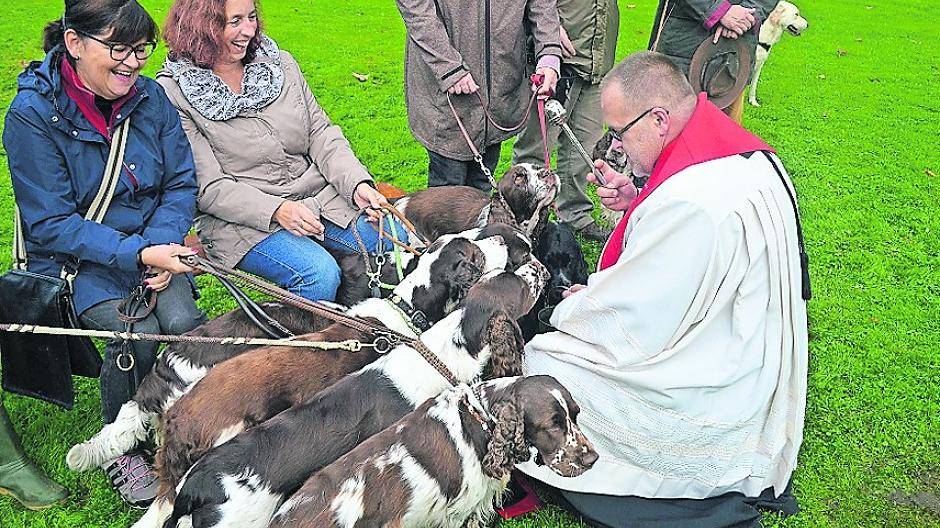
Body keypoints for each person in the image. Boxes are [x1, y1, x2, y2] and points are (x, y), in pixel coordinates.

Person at [517, 51, 808, 527]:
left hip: (712, 372)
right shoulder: (739, 157)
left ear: (658, 120)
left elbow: (635, 323)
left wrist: (573, 308)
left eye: (618, 133)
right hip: (748, 346)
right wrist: (639, 198)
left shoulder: (690, 203)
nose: (615, 146)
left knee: (541, 362)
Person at [2, 0, 207, 508]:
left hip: (151, 247)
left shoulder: (152, 98)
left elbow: (181, 183)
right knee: (134, 333)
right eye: (118, 48)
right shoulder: (31, 115)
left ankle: (185, 424)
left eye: (141, 49)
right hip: (76, 262)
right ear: (74, 43)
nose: (133, 62)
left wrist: (161, 243)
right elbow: (51, 224)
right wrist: (142, 254)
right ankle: (124, 447)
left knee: (186, 325)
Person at [158, 0, 406, 303]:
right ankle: (307, 334)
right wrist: (277, 210)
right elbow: (209, 187)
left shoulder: (280, 64)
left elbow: (321, 134)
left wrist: (357, 185)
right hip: (242, 222)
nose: (249, 30)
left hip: (316, 198)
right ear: (202, 27)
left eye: (252, 17)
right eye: (234, 21)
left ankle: (371, 321)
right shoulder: (174, 93)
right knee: (318, 274)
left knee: (393, 239)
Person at [396, 0, 562, 190]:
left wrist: (549, 54)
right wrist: (448, 66)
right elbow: (416, 9)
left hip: (500, 87)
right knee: (448, 191)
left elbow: (543, 5)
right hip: (444, 91)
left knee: (482, 186)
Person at [513, 0, 620, 242]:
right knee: (536, 150)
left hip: (596, 58)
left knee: (584, 146)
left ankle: (575, 214)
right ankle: (521, 220)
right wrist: (546, 31)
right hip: (554, 58)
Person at [649, 0, 777, 121]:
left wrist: (746, 15)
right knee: (664, 126)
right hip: (683, 43)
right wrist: (719, 11)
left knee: (720, 130)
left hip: (737, 48)